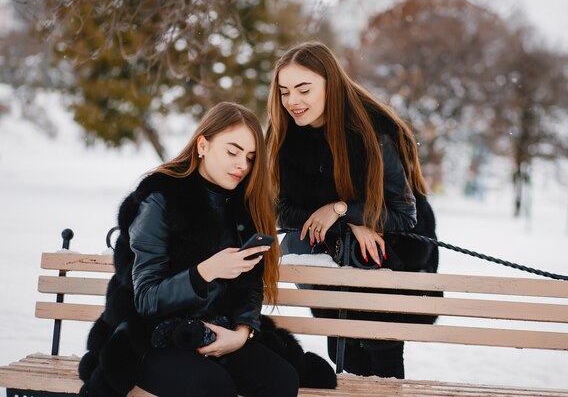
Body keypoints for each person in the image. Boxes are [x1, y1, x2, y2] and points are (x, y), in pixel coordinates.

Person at [78, 102, 299, 397]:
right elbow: (146, 299)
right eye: (232, 152)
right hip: (151, 337)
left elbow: (250, 286)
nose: (242, 166)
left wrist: (241, 333)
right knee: (212, 386)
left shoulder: (243, 207)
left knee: (281, 380)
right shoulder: (162, 199)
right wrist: (206, 271)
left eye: (249, 157)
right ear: (203, 145)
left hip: (213, 331)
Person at [265, 41, 441, 379]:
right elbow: (283, 210)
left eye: (304, 89)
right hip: (333, 257)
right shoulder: (285, 133)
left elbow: (405, 217)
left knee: (380, 352)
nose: (293, 101)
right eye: (285, 91)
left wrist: (343, 209)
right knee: (344, 355)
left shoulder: (373, 132)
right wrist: (346, 224)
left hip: (395, 257)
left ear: (331, 85)